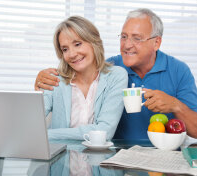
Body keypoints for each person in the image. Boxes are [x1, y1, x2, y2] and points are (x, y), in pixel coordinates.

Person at [35, 9, 197, 139]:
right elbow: (80, 67)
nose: (127, 45)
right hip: (117, 158)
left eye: (136, 38)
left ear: (156, 42)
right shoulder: (110, 68)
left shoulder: (178, 71)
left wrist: (175, 105)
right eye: (124, 37)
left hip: (163, 156)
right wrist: (42, 79)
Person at [41, 16, 128, 140]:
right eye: (65, 49)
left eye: (77, 44)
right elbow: (30, 123)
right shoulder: (54, 80)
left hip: (99, 158)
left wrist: (46, 135)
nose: (72, 54)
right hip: (61, 157)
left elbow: (105, 132)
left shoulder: (116, 76)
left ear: (94, 42)